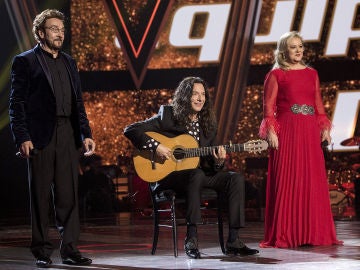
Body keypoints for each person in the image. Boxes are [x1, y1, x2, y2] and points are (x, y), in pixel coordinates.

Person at [124, 76, 259, 258]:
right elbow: (131, 129)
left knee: (235, 178)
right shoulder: (168, 115)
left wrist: (219, 161)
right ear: (185, 96)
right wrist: (157, 147)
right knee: (195, 174)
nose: (199, 98)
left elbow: (210, 166)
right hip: (169, 177)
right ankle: (192, 238)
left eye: (203, 94)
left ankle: (234, 240)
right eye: (195, 94)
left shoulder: (208, 125)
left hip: (197, 175)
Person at [9, 9, 95, 267]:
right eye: (54, 29)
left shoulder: (69, 61)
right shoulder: (25, 61)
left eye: (61, 28)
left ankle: (70, 250)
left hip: (68, 134)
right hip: (40, 137)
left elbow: (78, 102)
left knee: (68, 195)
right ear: (40, 33)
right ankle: (41, 252)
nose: (60, 33)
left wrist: (86, 133)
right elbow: (16, 102)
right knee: (40, 196)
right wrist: (22, 136)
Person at [258, 31, 342, 248]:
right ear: (284, 50)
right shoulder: (276, 75)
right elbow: (268, 109)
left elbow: (318, 104)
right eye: (293, 47)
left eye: (301, 46)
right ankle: (287, 233)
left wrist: (324, 127)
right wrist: (272, 132)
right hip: (287, 131)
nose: (298, 50)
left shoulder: (312, 74)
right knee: (288, 181)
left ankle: (312, 233)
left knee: (312, 181)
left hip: (309, 132)